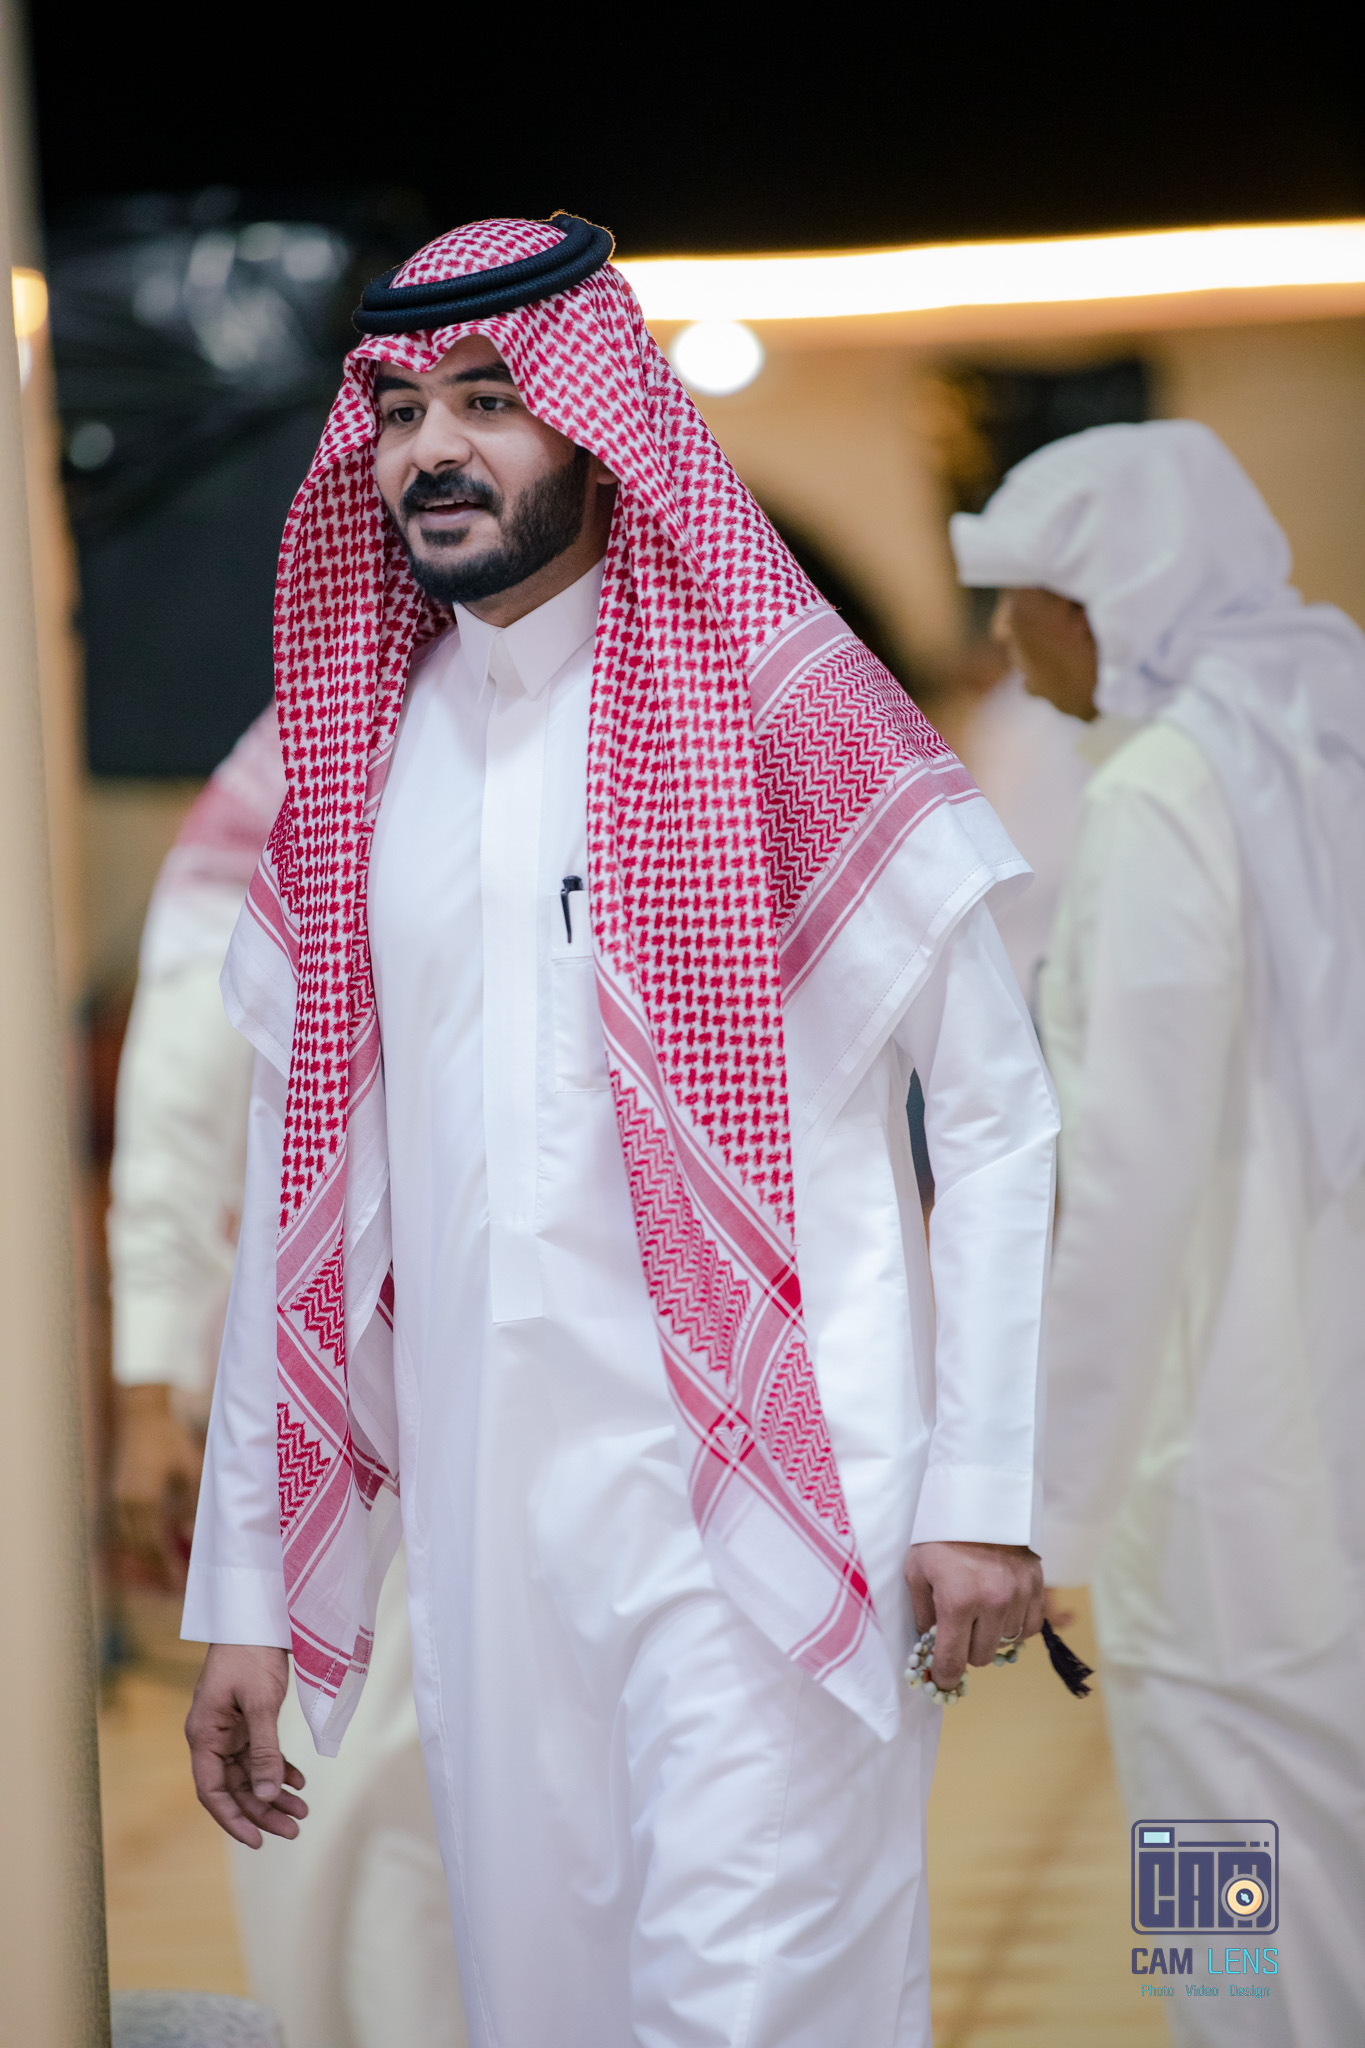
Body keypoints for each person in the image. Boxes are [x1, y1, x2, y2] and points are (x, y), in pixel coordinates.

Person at [183, 213, 1060, 2048]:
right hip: (492, 1543)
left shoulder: (783, 713)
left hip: (774, 1508)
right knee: (544, 2014)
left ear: (598, 427)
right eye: (401, 411)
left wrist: (986, 1488)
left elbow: (993, 1113)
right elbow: (299, 1195)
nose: (433, 449)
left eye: (488, 401)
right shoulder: (365, 762)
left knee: (751, 2011)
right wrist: (246, 1589)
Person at [952, 419, 1365, 2046]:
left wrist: (1041, 1511)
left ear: (1110, 597)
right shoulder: (1321, 749)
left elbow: (1122, 1187)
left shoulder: (1160, 795)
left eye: (1021, 595)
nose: (1003, 637)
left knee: (1214, 1888)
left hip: (1220, 1477)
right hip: (1329, 1429)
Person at [110, 711, 464, 2048]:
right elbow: (185, 1085)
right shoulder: (315, 751)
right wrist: (150, 1381)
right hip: (339, 1391)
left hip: (552, 1398)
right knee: (348, 1774)